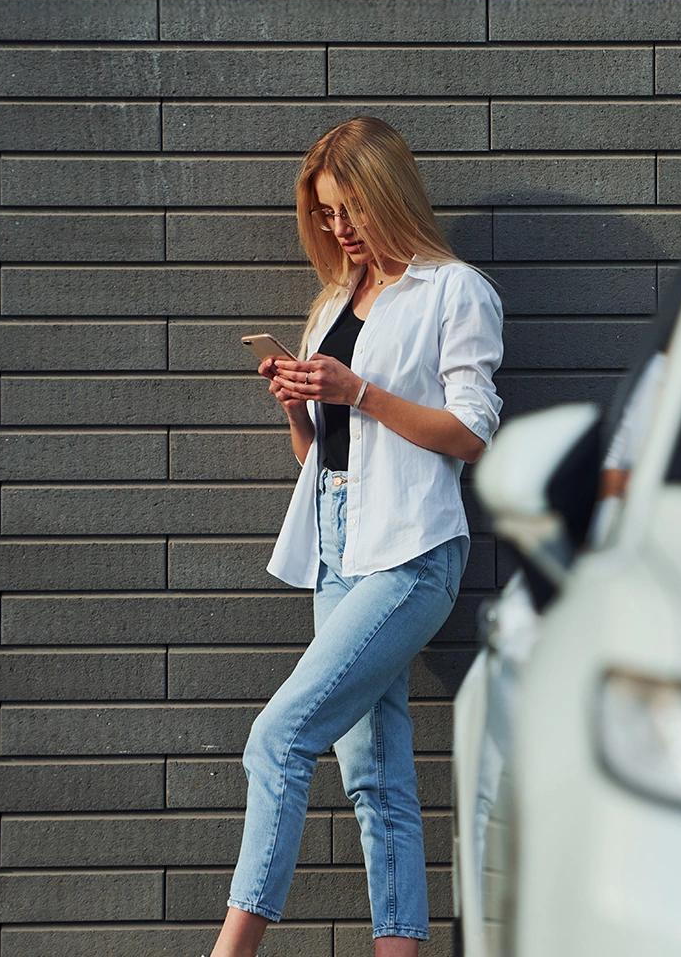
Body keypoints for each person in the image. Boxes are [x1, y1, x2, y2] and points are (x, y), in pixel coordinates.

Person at [210, 117, 504, 957]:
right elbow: (322, 455)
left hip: (411, 553)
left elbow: (470, 433)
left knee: (279, 736)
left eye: (350, 209)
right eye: (327, 213)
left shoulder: (455, 291)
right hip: (335, 539)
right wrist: (302, 407)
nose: (339, 228)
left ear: (387, 194)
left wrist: (361, 390)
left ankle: (231, 951)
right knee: (374, 773)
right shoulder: (336, 300)